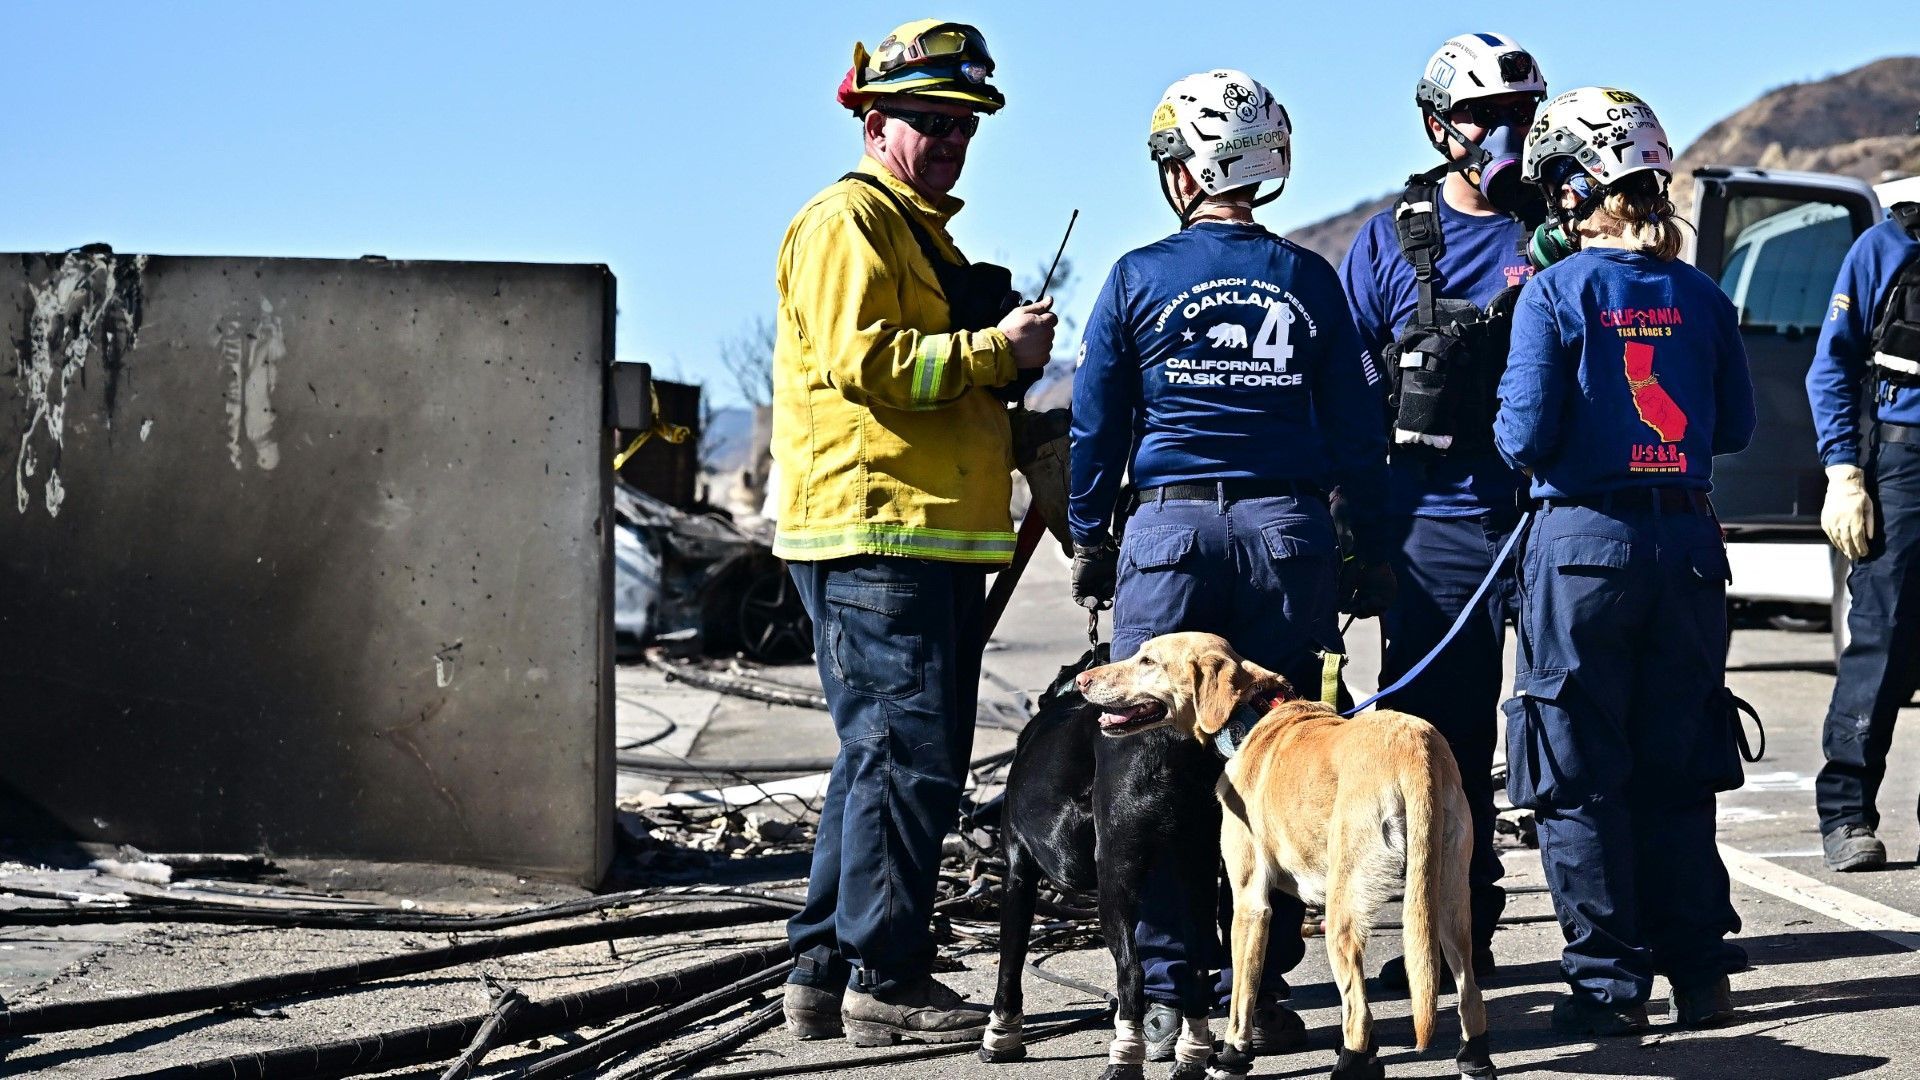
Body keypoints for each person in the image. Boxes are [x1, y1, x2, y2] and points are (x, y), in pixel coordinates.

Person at [1070, 68, 1391, 1066]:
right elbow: (1355, 427)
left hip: (1169, 537)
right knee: (1277, 761)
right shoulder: (1308, 279)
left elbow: (1095, 421)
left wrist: (1090, 538)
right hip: (1284, 534)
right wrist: (1360, 543)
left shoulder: (1135, 276)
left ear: (1182, 172)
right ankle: (1259, 987)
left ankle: (1165, 995)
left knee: (1151, 768)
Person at [770, 18, 1056, 1047]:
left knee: (874, 761)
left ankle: (821, 970)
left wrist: (992, 351)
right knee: (907, 762)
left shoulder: (913, 232)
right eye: (929, 122)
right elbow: (869, 364)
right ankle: (885, 985)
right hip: (878, 531)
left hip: (916, 536)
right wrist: (991, 349)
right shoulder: (852, 222)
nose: (949, 141)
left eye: (963, 125)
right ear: (872, 117)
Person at [1495, 86, 1755, 1036]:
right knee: (1681, 761)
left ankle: (1608, 992)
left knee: (1576, 773)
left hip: (1582, 548)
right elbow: (1734, 425)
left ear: (1573, 188)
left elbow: (1522, 434)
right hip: (1687, 542)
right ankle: (1700, 974)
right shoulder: (1704, 294)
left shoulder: (1554, 294)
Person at [1337, 31, 1547, 989]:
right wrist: (1356, 533)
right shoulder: (1388, 240)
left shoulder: (1560, 228)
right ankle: (1446, 939)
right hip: (1435, 529)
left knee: (1571, 729)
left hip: (1547, 520)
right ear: (1438, 126)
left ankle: (1629, 947)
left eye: (1520, 115)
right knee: (1436, 745)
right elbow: (1346, 391)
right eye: (1484, 116)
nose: (1506, 133)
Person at [1807, 112, 1920, 873]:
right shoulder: (1885, 246)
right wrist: (1844, 471)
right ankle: (1847, 814)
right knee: (1880, 646)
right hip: (1904, 463)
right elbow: (1832, 365)